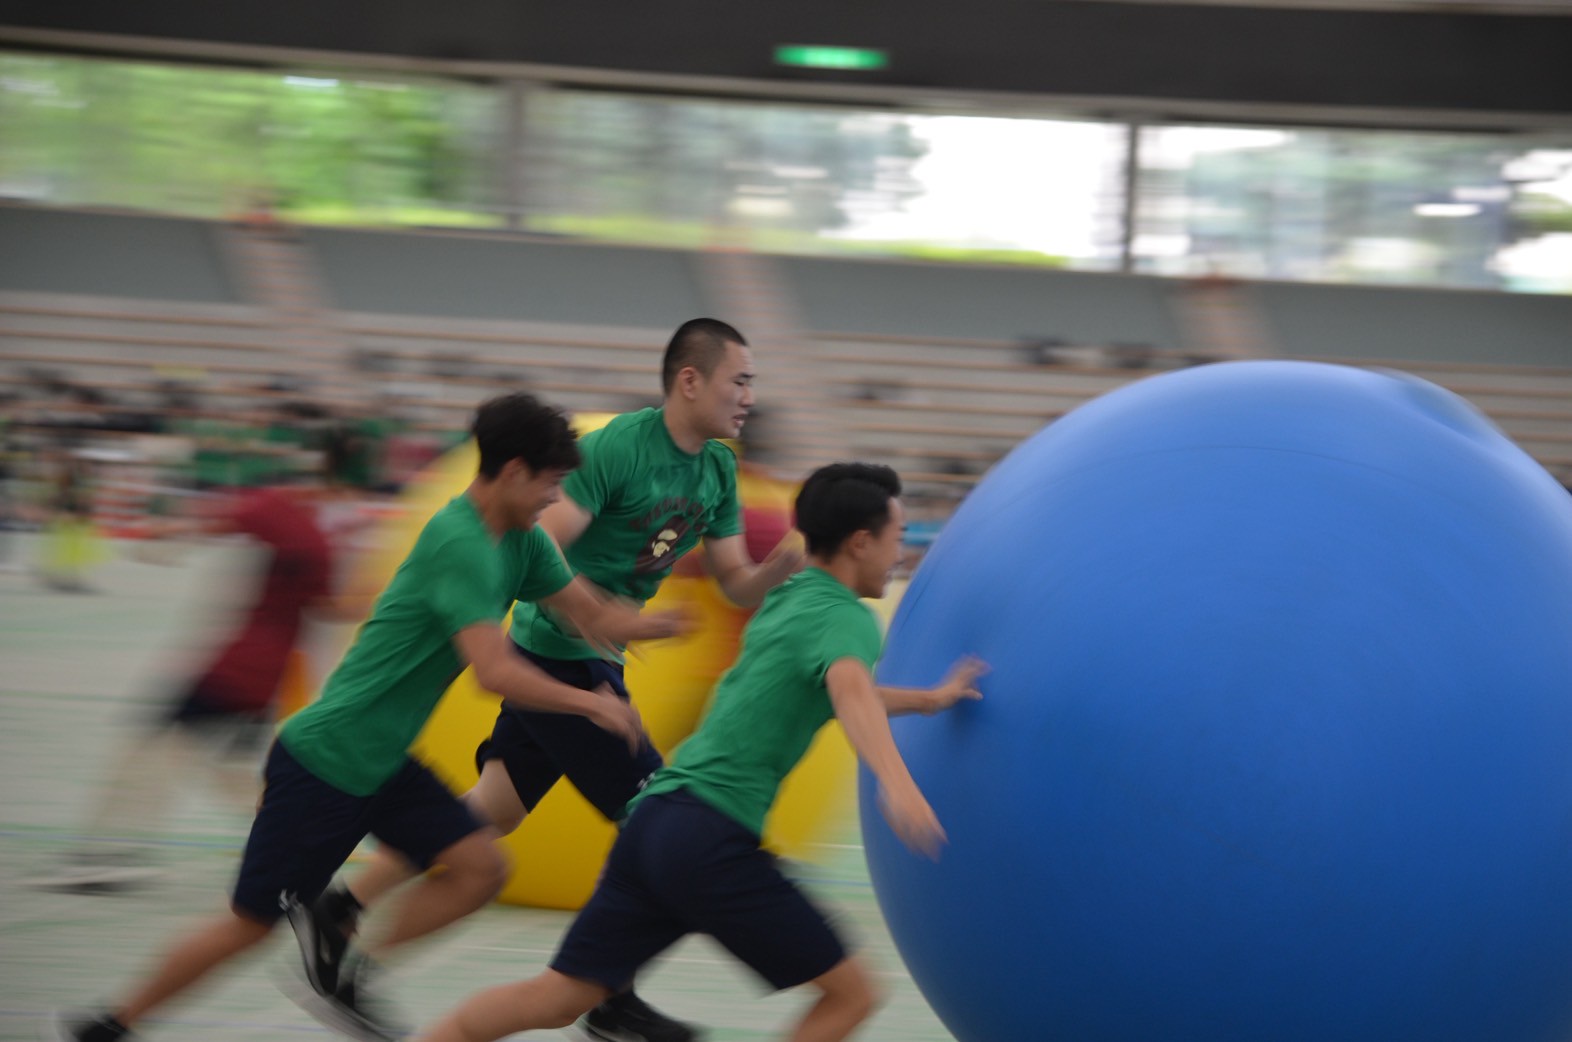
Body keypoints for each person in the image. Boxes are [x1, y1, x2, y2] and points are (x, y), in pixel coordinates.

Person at [53, 392, 685, 1042]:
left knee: (480, 870)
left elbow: (588, 613)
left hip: (383, 763)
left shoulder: (522, 541)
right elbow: (493, 672)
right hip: (326, 760)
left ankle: (343, 964)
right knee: (248, 925)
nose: (556, 499)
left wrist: (660, 620)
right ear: (514, 471)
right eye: (551, 484)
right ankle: (113, 1023)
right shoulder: (460, 542)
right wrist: (589, 702)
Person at [292, 318, 802, 1042]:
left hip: (594, 658)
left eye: (752, 383)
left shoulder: (717, 470)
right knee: (661, 826)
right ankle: (610, 995)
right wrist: (594, 628)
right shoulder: (619, 448)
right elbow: (542, 542)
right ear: (690, 381)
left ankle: (340, 908)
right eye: (739, 380)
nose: (749, 395)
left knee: (491, 811)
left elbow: (735, 582)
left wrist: (779, 568)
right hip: (562, 657)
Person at [412, 461, 984, 1042]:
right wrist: (896, 782)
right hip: (709, 836)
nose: (900, 555)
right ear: (860, 542)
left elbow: (836, 691)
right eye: (896, 538)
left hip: (657, 821)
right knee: (851, 996)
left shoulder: (789, 598)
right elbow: (850, 693)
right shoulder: (847, 618)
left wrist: (929, 700)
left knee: (557, 999)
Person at [39, 467, 344, 892]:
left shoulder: (283, 513)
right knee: (231, 771)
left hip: (234, 670)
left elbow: (230, 518)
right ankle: (301, 854)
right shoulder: (320, 541)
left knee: (152, 750)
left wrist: (167, 534)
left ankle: (106, 856)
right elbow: (327, 606)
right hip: (267, 677)